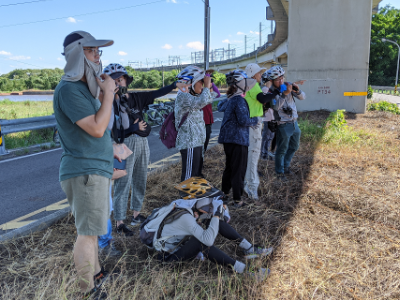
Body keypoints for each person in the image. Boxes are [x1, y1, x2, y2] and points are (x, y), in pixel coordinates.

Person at [53, 31, 116, 298]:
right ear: (78, 55)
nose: (97, 57)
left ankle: (97, 274)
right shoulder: (69, 89)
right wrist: (110, 94)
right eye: (92, 51)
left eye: (98, 52)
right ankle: (87, 291)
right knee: (88, 234)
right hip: (85, 171)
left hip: (93, 169)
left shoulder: (81, 89)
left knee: (93, 229)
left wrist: (102, 95)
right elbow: (97, 128)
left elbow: (101, 122)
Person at [103, 64, 189, 236]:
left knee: (140, 178)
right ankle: (120, 221)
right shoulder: (109, 103)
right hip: (122, 144)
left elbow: (156, 93)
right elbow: (112, 132)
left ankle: (136, 213)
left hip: (142, 143)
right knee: (122, 183)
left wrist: (174, 85)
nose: (117, 84)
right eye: (113, 81)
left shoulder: (136, 98)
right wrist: (132, 129)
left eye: (119, 79)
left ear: (126, 80)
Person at [154, 198, 272, 278]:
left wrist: (215, 217)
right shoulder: (186, 217)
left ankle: (249, 248)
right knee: (200, 242)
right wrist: (216, 215)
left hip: (178, 246)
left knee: (212, 221)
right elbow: (208, 240)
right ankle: (245, 271)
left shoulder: (186, 206)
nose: (209, 211)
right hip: (168, 259)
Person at [217, 70, 261, 208]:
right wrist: (255, 120)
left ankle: (224, 195)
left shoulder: (230, 99)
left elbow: (220, 106)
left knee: (229, 168)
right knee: (239, 169)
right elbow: (243, 120)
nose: (249, 86)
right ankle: (237, 200)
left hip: (227, 139)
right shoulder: (240, 100)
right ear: (240, 85)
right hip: (238, 139)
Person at [265, 66, 306, 181]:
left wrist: (297, 90)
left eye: (282, 78)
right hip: (282, 124)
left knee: (294, 146)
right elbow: (275, 106)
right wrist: (284, 94)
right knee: (282, 149)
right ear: (272, 81)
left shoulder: (288, 85)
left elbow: (303, 97)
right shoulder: (271, 91)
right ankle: (279, 172)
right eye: (278, 79)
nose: (281, 81)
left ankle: (286, 165)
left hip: (294, 122)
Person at [174, 66, 213, 182]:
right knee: (189, 176)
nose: (202, 84)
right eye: (200, 81)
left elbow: (209, 99)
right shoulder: (183, 96)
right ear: (191, 83)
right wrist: (207, 86)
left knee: (195, 174)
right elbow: (203, 101)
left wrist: (207, 87)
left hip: (196, 142)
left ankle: (193, 198)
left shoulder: (191, 96)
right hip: (189, 142)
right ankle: (186, 199)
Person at [242, 63, 275, 200]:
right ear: (253, 74)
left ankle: (245, 183)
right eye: (259, 73)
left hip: (249, 124)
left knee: (249, 156)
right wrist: (274, 91)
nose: (260, 75)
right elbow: (262, 98)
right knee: (253, 156)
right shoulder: (252, 84)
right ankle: (251, 188)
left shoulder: (246, 85)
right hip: (253, 125)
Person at [200, 70, 221, 176]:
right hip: (202, 122)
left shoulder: (207, 92)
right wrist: (207, 83)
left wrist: (211, 83)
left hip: (208, 121)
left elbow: (217, 94)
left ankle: (200, 164)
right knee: (201, 146)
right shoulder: (200, 92)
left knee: (204, 145)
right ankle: (198, 167)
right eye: (208, 80)